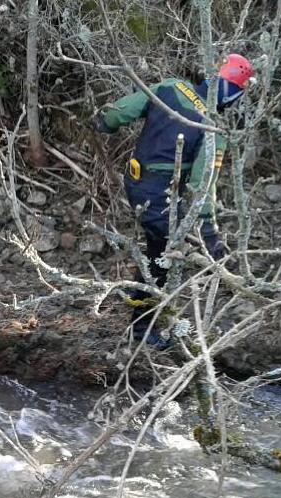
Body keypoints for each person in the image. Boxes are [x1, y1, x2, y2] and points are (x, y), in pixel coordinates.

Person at [91, 54, 254, 344]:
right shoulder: (213, 129)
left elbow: (121, 110)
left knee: (159, 247)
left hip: (134, 181)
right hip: (159, 196)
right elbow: (202, 186)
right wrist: (209, 232)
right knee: (162, 257)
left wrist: (104, 122)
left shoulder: (171, 87)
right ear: (232, 94)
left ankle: (143, 302)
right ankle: (141, 329)